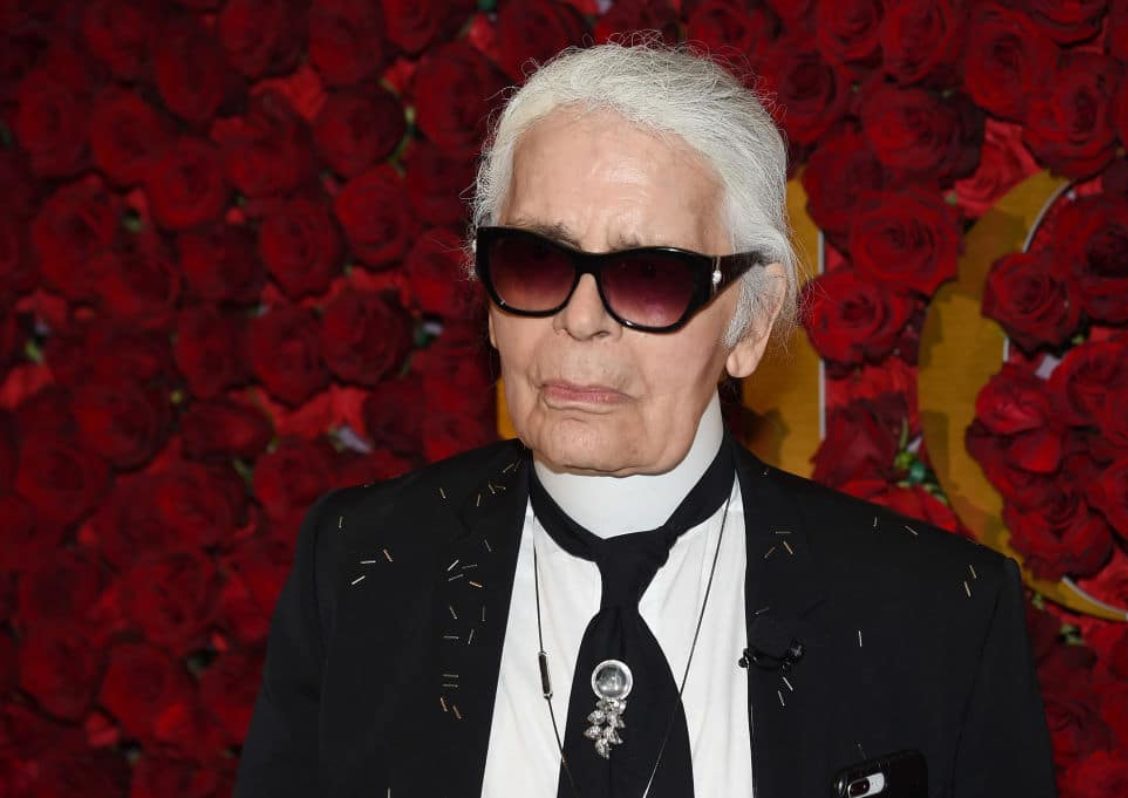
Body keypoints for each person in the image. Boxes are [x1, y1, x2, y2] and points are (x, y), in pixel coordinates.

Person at [234, 40, 1057, 798]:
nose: (580, 321)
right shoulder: (359, 565)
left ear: (751, 321)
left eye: (650, 276)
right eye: (534, 260)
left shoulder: (937, 612)